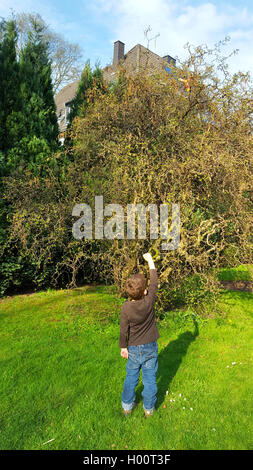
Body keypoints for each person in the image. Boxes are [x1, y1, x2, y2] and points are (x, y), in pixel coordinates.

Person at [119, 252, 159, 417]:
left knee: (131, 378)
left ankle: (127, 407)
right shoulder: (149, 301)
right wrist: (150, 261)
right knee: (149, 379)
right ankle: (149, 409)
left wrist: (123, 347)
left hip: (134, 349)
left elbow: (123, 330)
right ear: (144, 291)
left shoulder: (126, 308)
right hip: (150, 347)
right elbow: (155, 283)